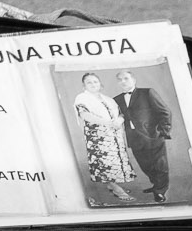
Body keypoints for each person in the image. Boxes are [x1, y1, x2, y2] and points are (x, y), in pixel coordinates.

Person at [70, 70, 140, 200]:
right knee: (103, 162)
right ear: (84, 86)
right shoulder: (82, 98)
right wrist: (107, 123)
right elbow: (85, 115)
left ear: (100, 84)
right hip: (98, 136)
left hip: (114, 135)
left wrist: (119, 121)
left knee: (114, 161)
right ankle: (117, 189)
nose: (93, 84)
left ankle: (111, 185)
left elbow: (120, 114)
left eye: (95, 81)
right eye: (89, 82)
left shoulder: (108, 99)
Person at [114, 68, 174, 198]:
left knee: (159, 165)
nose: (123, 82)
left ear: (133, 80)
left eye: (126, 78)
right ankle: (156, 185)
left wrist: (163, 131)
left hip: (153, 135)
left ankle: (160, 191)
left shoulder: (147, 93)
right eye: (120, 80)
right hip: (134, 138)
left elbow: (165, 112)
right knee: (145, 165)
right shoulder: (117, 100)